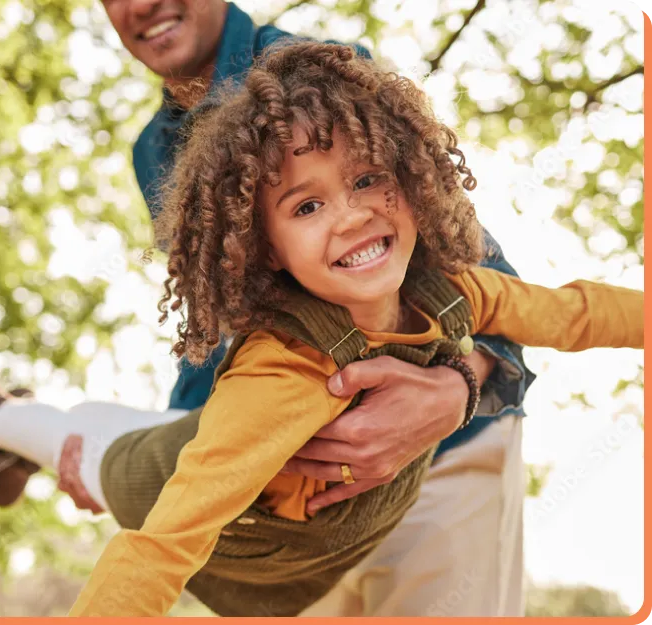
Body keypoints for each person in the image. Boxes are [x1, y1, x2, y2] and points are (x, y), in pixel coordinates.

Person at [0, 0, 535, 617]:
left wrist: (456, 391)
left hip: (440, 470)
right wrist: (139, 477)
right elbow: (228, 332)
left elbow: (477, 275)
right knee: (136, 469)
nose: (142, 4)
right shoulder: (154, 150)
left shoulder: (315, 84)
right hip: (302, 504)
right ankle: (4, 423)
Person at [60, 41, 641, 617]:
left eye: (366, 179)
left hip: (324, 528)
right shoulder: (282, 371)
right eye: (306, 207)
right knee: (91, 451)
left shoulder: (456, 291)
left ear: (411, 176)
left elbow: (575, 313)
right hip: (225, 523)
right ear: (266, 251)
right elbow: (161, 547)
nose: (352, 214)